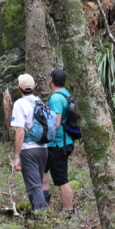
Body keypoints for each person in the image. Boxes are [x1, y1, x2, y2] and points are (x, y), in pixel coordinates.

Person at [10, 74, 48, 211]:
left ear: (19, 88)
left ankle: (41, 220)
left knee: (34, 186)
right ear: (33, 87)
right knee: (39, 183)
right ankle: (44, 214)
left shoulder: (20, 104)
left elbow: (20, 131)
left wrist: (16, 156)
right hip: (43, 148)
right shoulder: (40, 102)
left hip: (29, 150)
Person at [42, 69, 75, 214]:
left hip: (57, 144)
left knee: (61, 180)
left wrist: (44, 137)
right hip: (64, 141)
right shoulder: (67, 94)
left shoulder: (55, 98)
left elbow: (55, 122)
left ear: (51, 80)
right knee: (43, 170)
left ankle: (69, 210)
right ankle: (44, 201)